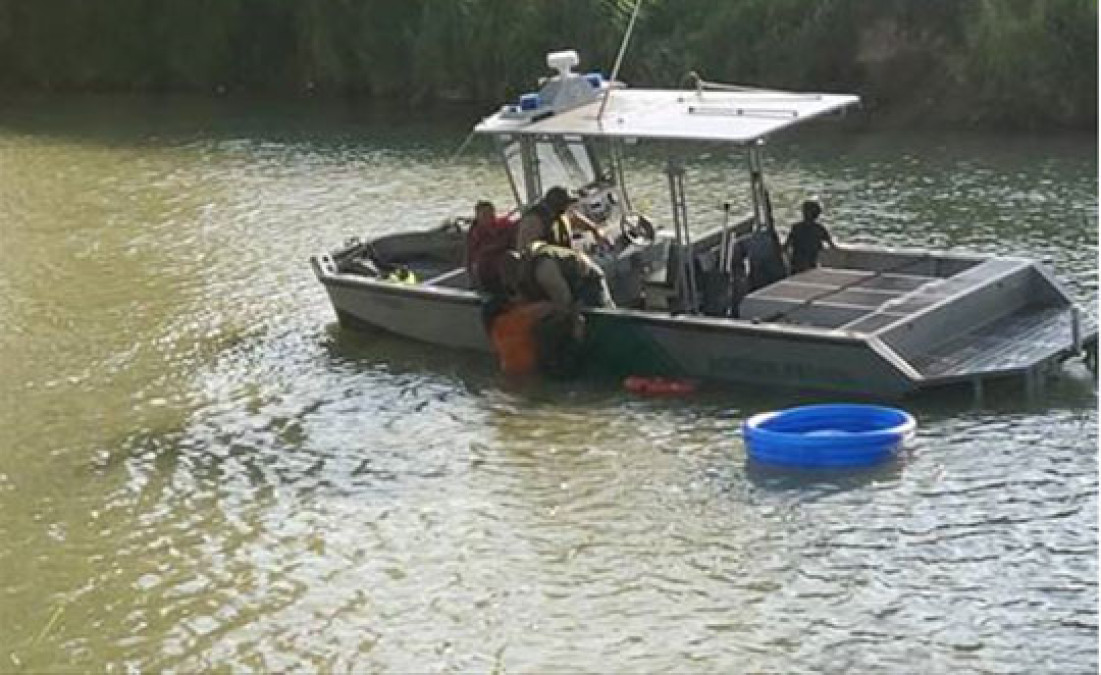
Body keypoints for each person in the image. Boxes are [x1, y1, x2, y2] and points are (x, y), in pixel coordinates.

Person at [501, 243, 616, 310]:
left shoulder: (543, 270)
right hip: (573, 283)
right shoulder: (530, 259)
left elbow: (565, 301)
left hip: (588, 281)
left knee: (603, 320)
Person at [514, 186, 613, 251]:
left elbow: (591, 227)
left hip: (565, 259)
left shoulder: (563, 214)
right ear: (558, 206)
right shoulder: (534, 220)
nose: (569, 207)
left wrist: (599, 234)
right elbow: (526, 253)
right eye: (566, 204)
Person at [465, 200, 516, 295]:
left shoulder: (503, 226)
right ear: (478, 217)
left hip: (502, 268)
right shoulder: (475, 233)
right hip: (485, 270)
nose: (489, 218)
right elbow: (469, 256)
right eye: (485, 215)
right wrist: (471, 278)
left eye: (491, 214)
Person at [784, 197, 837, 274]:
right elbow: (832, 246)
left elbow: (786, 247)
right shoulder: (820, 229)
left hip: (798, 266)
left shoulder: (796, 228)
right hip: (810, 265)